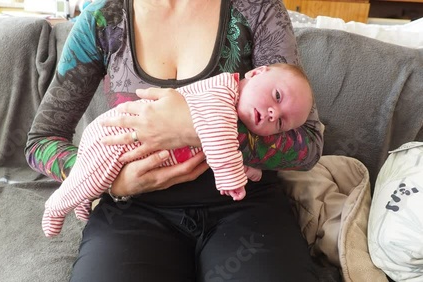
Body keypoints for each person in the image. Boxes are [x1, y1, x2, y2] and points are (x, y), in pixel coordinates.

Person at [25, 0, 324, 281]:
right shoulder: (104, 17)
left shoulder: (257, 8)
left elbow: (308, 144)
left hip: (245, 206)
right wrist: (111, 180)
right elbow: (42, 141)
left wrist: (193, 129)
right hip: (134, 210)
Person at [42, 63, 313, 237]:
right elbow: (219, 138)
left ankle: (81, 199)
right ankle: (57, 205)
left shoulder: (236, 108)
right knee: (91, 178)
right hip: (118, 138)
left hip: (232, 219)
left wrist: (251, 168)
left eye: (279, 123)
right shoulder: (222, 93)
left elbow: (305, 148)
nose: (271, 113)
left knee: (88, 180)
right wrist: (231, 176)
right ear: (255, 73)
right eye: (276, 97)